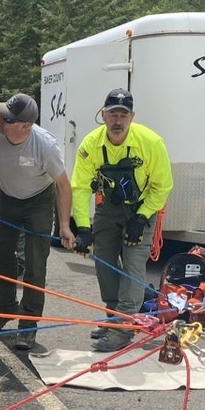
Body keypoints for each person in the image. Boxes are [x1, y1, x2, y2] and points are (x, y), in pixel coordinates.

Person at [70, 88, 174, 352]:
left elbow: (162, 186)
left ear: (132, 117)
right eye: (112, 114)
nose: (118, 121)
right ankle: (113, 315)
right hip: (109, 208)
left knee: (132, 264)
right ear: (103, 115)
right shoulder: (90, 145)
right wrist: (83, 227)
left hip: (142, 208)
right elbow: (81, 187)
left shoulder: (151, 143)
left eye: (123, 115)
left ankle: (125, 327)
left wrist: (141, 218)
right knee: (103, 261)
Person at [0, 93, 75, 354]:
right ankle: (5, 308)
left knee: (34, 262)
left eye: (5, 117)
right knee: (3, 257)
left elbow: (63, 185)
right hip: (7, 198)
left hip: (39, 202)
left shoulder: (44, 145)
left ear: (24, 125)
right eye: (0, 113)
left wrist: (64, 225)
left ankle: (29, 324)